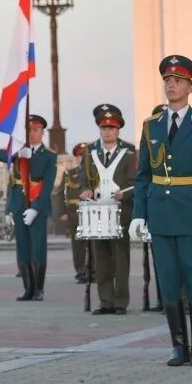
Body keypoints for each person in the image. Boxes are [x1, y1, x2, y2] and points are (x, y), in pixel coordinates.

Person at [129, 55, 192, 367]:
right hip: (160, 215)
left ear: (190, 86)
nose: (171, 85)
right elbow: (143, 175)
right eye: (167, 80)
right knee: (167, 280)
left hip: (191, 215)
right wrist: (139, 214)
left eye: (178, 81)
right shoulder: (151, 125)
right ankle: (177, 345)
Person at [0, 114, 57, 302]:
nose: (33, 133)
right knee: (23, 248)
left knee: (37, 248)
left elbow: (47, 186)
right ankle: (28, 288)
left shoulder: (49, 155)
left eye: (36, 130)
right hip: (20, 204)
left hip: (38, 204)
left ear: (42, 132)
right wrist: (16, 152)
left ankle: (39, 288)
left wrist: (36, 208)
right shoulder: (18, 151)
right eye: (29, 130)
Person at [79, 104, 136, 315]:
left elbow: (136, 182)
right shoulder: (90, 151)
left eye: (111, 128)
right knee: (101, 258)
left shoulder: (129, 152)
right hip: (97, 211)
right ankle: (105, 301)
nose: (107, 132)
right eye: (104, 128)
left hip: (121, 210)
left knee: (121, 259)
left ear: (118, 129)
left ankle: (121, 302)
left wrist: (126, 194)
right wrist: (85, 190)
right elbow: (83, 178)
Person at [64, 143, 90, 283]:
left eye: (84, 155)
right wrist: (63, 211)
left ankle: (93, 272)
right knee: (78, 245)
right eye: (79, 156)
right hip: (74, 213)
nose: (82, 158)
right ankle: (80, 271)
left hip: (90, 212)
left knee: (92, 244)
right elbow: (63, 193)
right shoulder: (70, 173)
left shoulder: (93, 173)